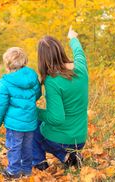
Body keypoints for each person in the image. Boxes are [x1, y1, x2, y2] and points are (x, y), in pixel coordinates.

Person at [33, 26, 88, 170]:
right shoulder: (81, 68)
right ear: (60, 50)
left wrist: (34, 110)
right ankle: (71, 155)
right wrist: (73, 38)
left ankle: (41, 164)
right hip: (80, 139)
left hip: (62, 140)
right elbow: (79, 53)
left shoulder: (53, 80)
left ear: (42, 58)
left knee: (31, 121)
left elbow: (56, 118)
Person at [0, 47, 41, 179]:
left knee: (14, 146)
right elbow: (37, 94)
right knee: (27, 146)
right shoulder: (32, 75)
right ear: (24, 60)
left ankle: (13, 171)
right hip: (30, 120)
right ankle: (26, 170)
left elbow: (1, 104)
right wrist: (27, 104)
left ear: (7, 63)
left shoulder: (5, 82)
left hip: (14, 123)